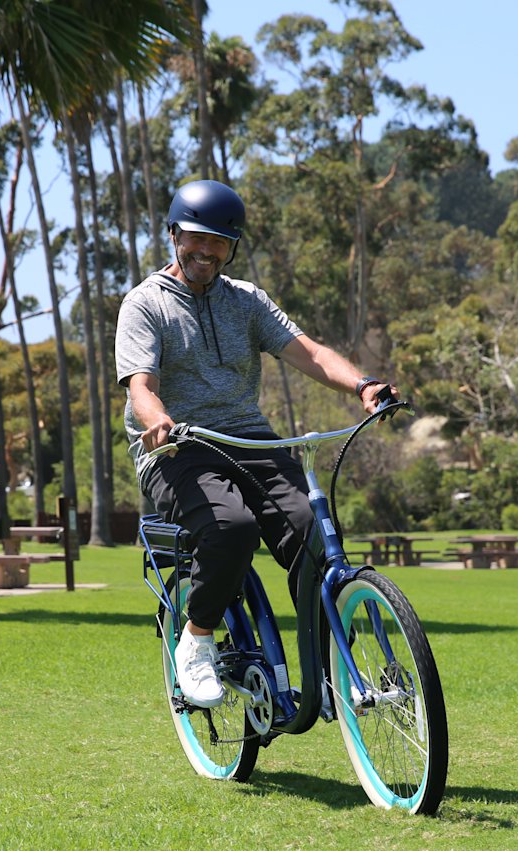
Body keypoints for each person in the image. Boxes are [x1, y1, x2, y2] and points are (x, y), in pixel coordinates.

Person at [116, 179, 395, 708]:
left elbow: (307, 353)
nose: (206, 250)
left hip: (251, 441)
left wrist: (363, 385)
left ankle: (329, 662)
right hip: (178, 448)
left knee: (315, 529)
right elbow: (140, 388)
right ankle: (196, 642)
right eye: (196, 237)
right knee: (231, 527)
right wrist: (159, 423)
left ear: (233, 246)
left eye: (220, 241)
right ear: (174, 234)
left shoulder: (246, 301)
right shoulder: (145, 304)